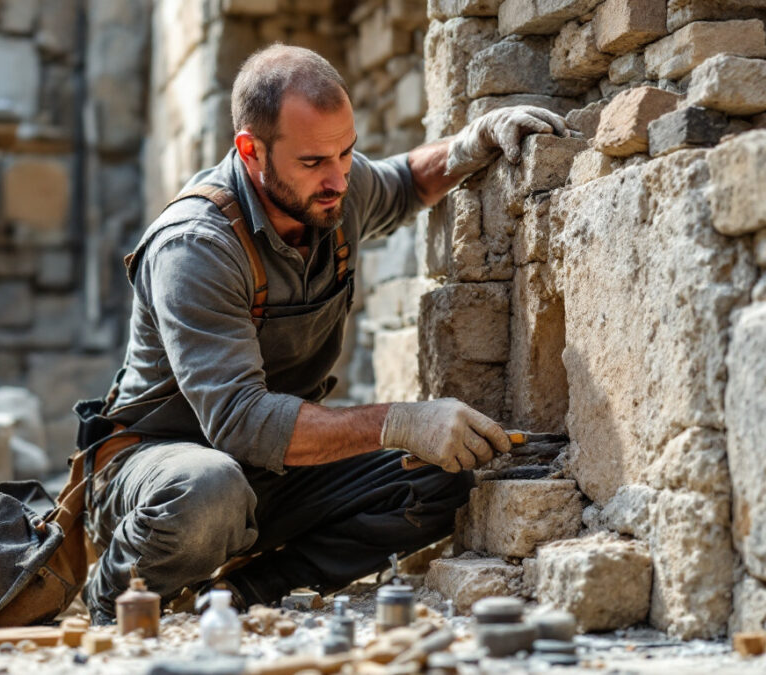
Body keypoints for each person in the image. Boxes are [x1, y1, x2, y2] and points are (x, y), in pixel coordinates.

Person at [78, 43, 569, 624]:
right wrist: (400, 422)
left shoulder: (333, 188)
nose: (338, 177)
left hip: (270, 471)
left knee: (450, 474)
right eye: (314, 162)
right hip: (163, 470)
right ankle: (114, 596)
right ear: (249, 148)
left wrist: (469, 145)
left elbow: (406, 181)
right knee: (208, 489)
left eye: (347, 151)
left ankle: (247, 595)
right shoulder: (195, 247)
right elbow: (241, 421)